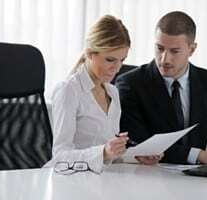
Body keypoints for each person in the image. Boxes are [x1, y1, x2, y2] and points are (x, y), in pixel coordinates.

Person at [116, 11, 207, 165]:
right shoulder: (130, 84)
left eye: (174, 51)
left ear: (192, 49)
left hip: (198, 180)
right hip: (151, 177)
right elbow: (138, 142)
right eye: (160, 48)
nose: (165, 59)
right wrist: (197, 156)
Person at [44, 15, 161, 173]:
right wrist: (104, 152)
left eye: (122, 60)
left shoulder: (112, 92)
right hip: (71, 183)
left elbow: (108, 156)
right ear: (90, 53)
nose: (117, 68)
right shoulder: (68, 91)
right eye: (110, 60)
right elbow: (60, 157)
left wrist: (136, 156)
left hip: (101, 181)